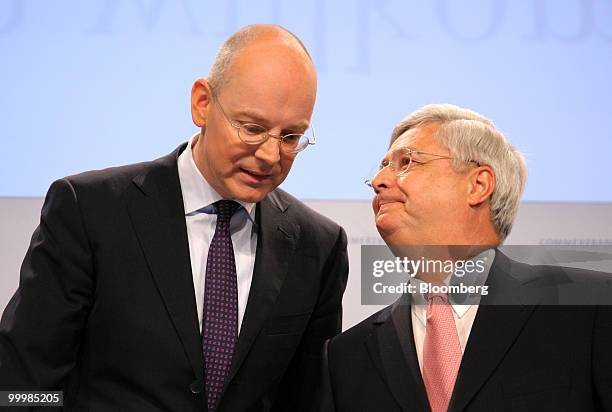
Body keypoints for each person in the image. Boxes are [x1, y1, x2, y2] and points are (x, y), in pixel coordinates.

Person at [0, 24, 349, 411]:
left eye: (290, 137)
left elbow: (306, 401)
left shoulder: (318, 246)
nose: (270, 154)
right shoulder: (89, 210)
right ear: (202, 103)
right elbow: (22, 383)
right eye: (252, 129)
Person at [320, 104, 612, 411]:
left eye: (406, 162)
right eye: (382, 167)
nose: (379, 180)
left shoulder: (589, 307)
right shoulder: (346, 356)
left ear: (478, 185)